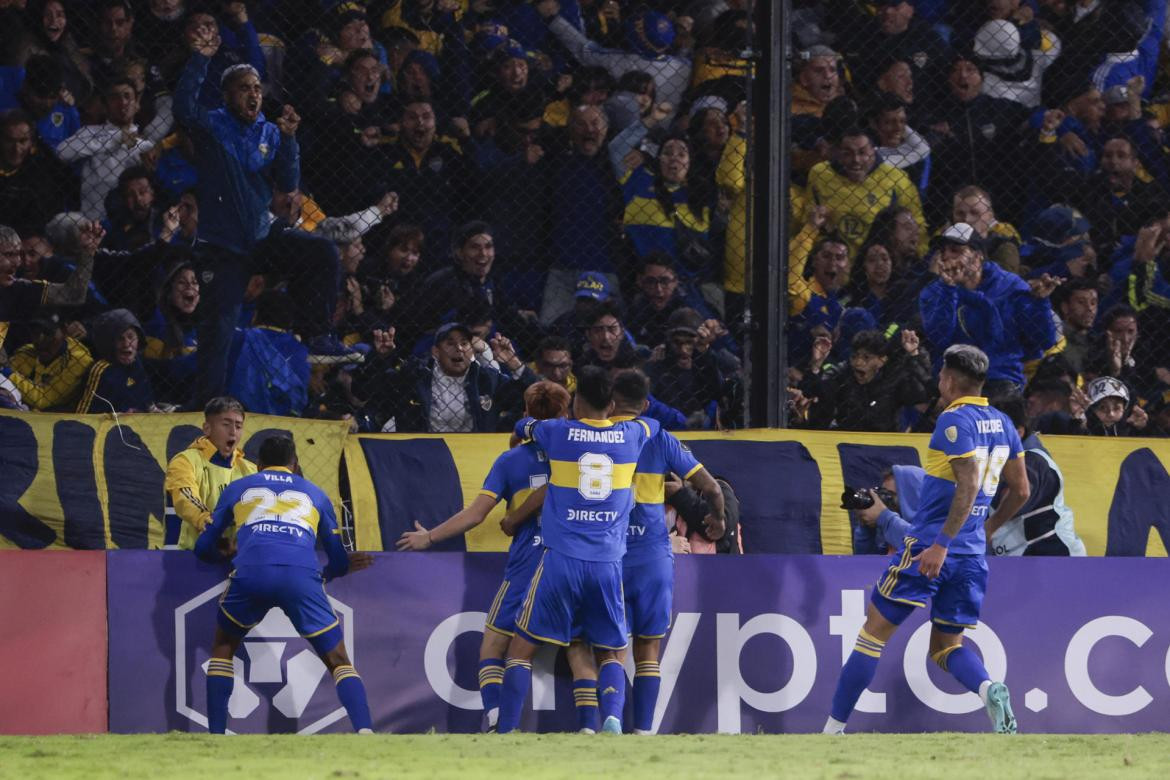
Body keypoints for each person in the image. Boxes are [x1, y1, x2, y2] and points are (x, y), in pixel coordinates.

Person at [825, 344, 1030, 735]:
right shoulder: (1003, 422)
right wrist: (986, 529)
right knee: (945, 647)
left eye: (939, 377)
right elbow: (1020, 489)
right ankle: (988, 688)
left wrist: (941, 543)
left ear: (949, 381)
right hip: (971, 557)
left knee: (872, 634)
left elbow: (967, 484)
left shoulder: (953, 421)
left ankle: (831, 731)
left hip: (931, 548)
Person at [397, 381, 599, 733]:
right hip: (575, 559)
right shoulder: (581, 458)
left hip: (528, 561)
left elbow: (475, 515)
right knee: (578, 647)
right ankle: (590, 728)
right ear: (565, 414)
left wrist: (429, 536)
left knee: (494, 643)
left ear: (525, 414)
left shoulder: (511, 460)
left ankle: (495, 719)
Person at [495, 366, 659, 734]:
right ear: (613, 403)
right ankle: (613, 720)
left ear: (577, 401)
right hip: (607, 563)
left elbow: (525, 427)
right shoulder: (633, 433)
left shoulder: (557, 432)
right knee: (610, 651)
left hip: (561, 561)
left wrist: (520, 430)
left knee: (520, 649)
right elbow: (654, 425)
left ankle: (503, 732)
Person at [194, 435, 375, 734]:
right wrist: (327, 574)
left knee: (224, 646)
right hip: (302, 576)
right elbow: (340, 560)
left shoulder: (239, 487)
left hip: (251, 573)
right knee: (338, 659)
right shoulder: (316, 494)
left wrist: (223, 552)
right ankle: (365, 731)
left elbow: (203, 548)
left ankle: (216, 736)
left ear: (259, 464)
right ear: (296, 464)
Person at [173, 35, 303, 406]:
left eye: (258, 88)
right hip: (220, 246)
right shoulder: (212, 125)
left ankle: (320, 334)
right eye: (244, 88)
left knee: (320, 253)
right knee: (219, 328)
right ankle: (206, 405)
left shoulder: (271, 133)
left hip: (259, 239)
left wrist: (291, 139)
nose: (253, 94)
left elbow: (289, 182)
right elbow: (183, 108)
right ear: (227, 94)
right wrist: (199, 61)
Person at [608, 369, 724, 734]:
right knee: (648, 651)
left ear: (610, 402)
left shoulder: (592, 435)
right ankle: (643, 731)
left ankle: (609, 719)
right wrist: (717, 521)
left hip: (608, 554)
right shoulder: (659, 436)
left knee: (611, 649)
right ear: (645, 404)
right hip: (652, 557)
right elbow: (712, 488)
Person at [919, 223, 1058, 396]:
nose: (947, 257)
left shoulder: (1011, 286)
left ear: (978, 257)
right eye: (943, 251)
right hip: (954, 381)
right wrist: (949, 289)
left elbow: (1045, 340)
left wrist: (1040, 303)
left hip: (999, 378)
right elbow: (939, 338)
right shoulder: (933, 292)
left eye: (956, 250)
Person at [354, 321, 536, 433]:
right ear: (435, 352)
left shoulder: (487, 379)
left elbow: (536, 402)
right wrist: (379, 359)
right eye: (450, 343)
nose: (459, 349)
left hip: (473, 458)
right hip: (420, 457)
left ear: (471, 350)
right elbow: (364, 390)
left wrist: (515, 365)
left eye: (464, 343)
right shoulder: (414, 377)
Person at [987, 396, 1087, 556]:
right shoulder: (1000, 460)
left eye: (993, 430)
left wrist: (987, 528)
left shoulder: (1033, 460)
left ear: (1018, 432)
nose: (986, 437)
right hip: (1022, 560)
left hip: (1054, 556)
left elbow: (1019, 494)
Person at [54, 77, 155, 221]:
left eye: (127, 96)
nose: (122, 102)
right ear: (105, 105)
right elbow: (62, 152)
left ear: (137, 103)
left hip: (133, 220)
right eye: (115, 97)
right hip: (93, 222)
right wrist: (116, 139)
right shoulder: (89, 132)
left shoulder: (145, 142)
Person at [163, 396, 256, 550]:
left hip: (236, 557)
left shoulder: (251, 470)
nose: (233, 432)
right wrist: (208, 523)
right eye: (226, 424)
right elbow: (185, 497)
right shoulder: (185, 461)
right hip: (189, 556)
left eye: (238, 426)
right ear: (207, 428)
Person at [1, 220, 101, 354]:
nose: (18, 262)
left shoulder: (20, 288)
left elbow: (74, 294)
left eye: (17, 254)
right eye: (9, 255)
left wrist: (88, 253)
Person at [4, 310, 93, 411]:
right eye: (36, 333)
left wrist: (6, 370)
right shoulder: (26, 353)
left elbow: (44, 401)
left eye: (48, 333)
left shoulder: (79, 360)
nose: (40, 340)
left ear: (64, 331)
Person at [74, 307, 156, 413]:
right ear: (109, 342)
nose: (127, 344)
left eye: (131, 337)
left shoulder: (137, 363)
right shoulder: (101, 371)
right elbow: (82, 414)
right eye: (120, 338)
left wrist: (150, 408)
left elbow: (147, 399)